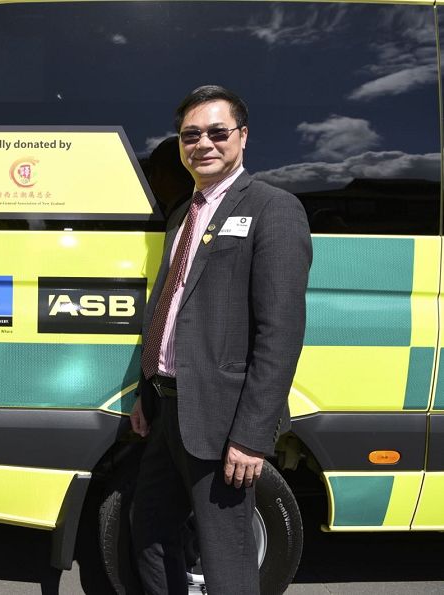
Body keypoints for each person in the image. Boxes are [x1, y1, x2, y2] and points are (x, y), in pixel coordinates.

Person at [130, 86, 312, 594]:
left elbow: (280, 333)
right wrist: (144, 390)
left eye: (217, 132)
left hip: (222, 418)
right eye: (191, 136)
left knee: (226, 554)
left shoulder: (274, 208)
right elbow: (166, 308)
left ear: (242, 136)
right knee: (148, 532)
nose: (203, 144)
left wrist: (252, 435)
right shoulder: (182, 216)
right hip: (167, 408)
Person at [146, 136, 193, 218]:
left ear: (160, 175)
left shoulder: (178, 219)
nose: (150, 180)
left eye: (153, 172)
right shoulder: (207, 210)